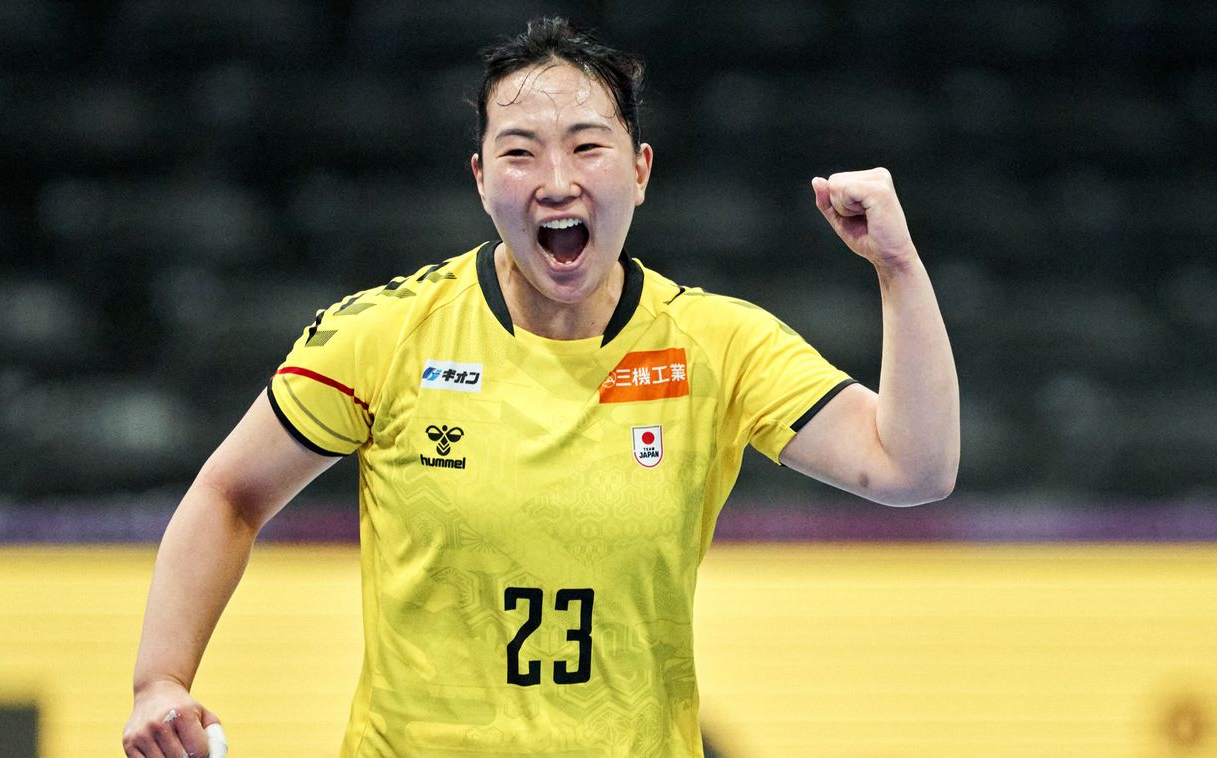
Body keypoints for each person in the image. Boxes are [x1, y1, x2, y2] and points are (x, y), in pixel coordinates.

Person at [122, 16, 958, 758]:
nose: (556, 179)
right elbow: (230, 492)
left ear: (639, 171)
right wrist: (160, 679)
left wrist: (896, 266)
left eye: (587, 145)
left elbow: (910, 468)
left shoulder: (714, 343)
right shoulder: (387, 333)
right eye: (520, 151)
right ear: (481, 179)